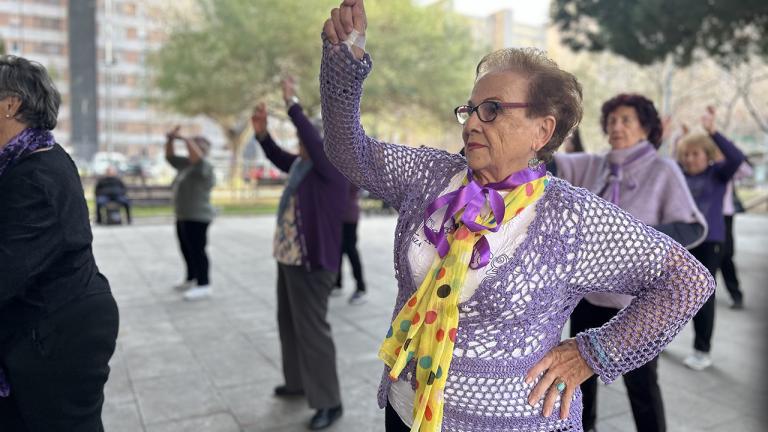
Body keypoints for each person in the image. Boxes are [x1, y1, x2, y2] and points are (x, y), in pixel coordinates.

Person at [321, 2, 715, 431]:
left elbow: (687, 281)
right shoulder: (432, 176)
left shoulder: (569, 217)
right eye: (469, 110)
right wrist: (345, 64)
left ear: (541, 131)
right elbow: (349, 151)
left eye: (491, 110)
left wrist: (591, 353)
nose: (472, 123)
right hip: (405, 409)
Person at [552, 93, 707, 432]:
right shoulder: (596, 164)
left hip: (640, 304)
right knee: (577, 380)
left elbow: (692, 225)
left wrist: (639, 240)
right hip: (589, 297)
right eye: (611, 121)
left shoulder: (662, 169)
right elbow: (552, 166)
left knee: (641, 386)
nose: (616, 127)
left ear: (646, 128)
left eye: (626, 120)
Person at [0, 55, 119, 431]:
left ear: (10, 104)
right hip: (46, 325)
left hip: (57, 336)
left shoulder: (35, 174)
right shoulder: (29, 159)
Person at [250, 76, 349, 430]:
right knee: (288, 324)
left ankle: (330, 402)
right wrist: (263, 135)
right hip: (289, 259)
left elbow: (309, 138)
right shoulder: (303, 166)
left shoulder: (332, 170)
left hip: (312, 264)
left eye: (309, 139)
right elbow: (280, 156)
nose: (301, 143)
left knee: (312, 331)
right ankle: (296, 383)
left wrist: (293, 104)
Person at [677, 106, 746, 371]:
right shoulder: (680, 176)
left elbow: (737, 158)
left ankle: (702, 350)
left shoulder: (717, 174)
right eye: (686, 154)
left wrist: (713, 132)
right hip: (684, 243)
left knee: (704, 295)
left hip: (711, 243)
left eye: (696, 153)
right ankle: (657, 340)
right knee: (673, 294)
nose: (690, 158)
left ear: (708, 156)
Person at [165, 126, 216, 301]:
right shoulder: (186, 164)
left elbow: (197, 157)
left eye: (197, 143)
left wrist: (186, 139)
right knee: (186, 249)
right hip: (183, 215)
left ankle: (204, 284)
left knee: (198, 250)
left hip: (198, 217)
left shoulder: (204, 166)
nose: (192, 146)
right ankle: (191, 277)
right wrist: (171, 139)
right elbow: (170, 157)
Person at [719, 160, 752, 309]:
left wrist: (725, 150)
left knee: (726, 256)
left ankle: (736, 294)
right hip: (703, 217)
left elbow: (746, 171)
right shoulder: (702, 164)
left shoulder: (727, 165)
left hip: (725, 215)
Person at [335, 183, 368, 305]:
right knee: (338, 250)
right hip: (338, 216)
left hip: (348, 216)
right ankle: (337, 283)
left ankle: (360, 287)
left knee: (350, 250)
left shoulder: (351, 169)